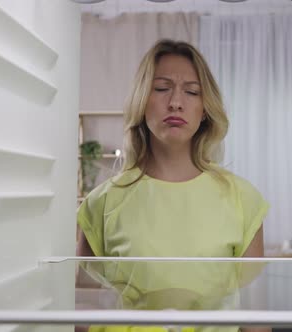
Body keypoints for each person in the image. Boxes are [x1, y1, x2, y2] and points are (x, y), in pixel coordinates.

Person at [76, 39, 270, 332]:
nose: (176, 102)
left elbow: (255, 321)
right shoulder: (100, 203)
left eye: (192, 91)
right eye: (162, 88)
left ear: (205, 109)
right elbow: (83, 301)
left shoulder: (244, 200)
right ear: (142, 102)